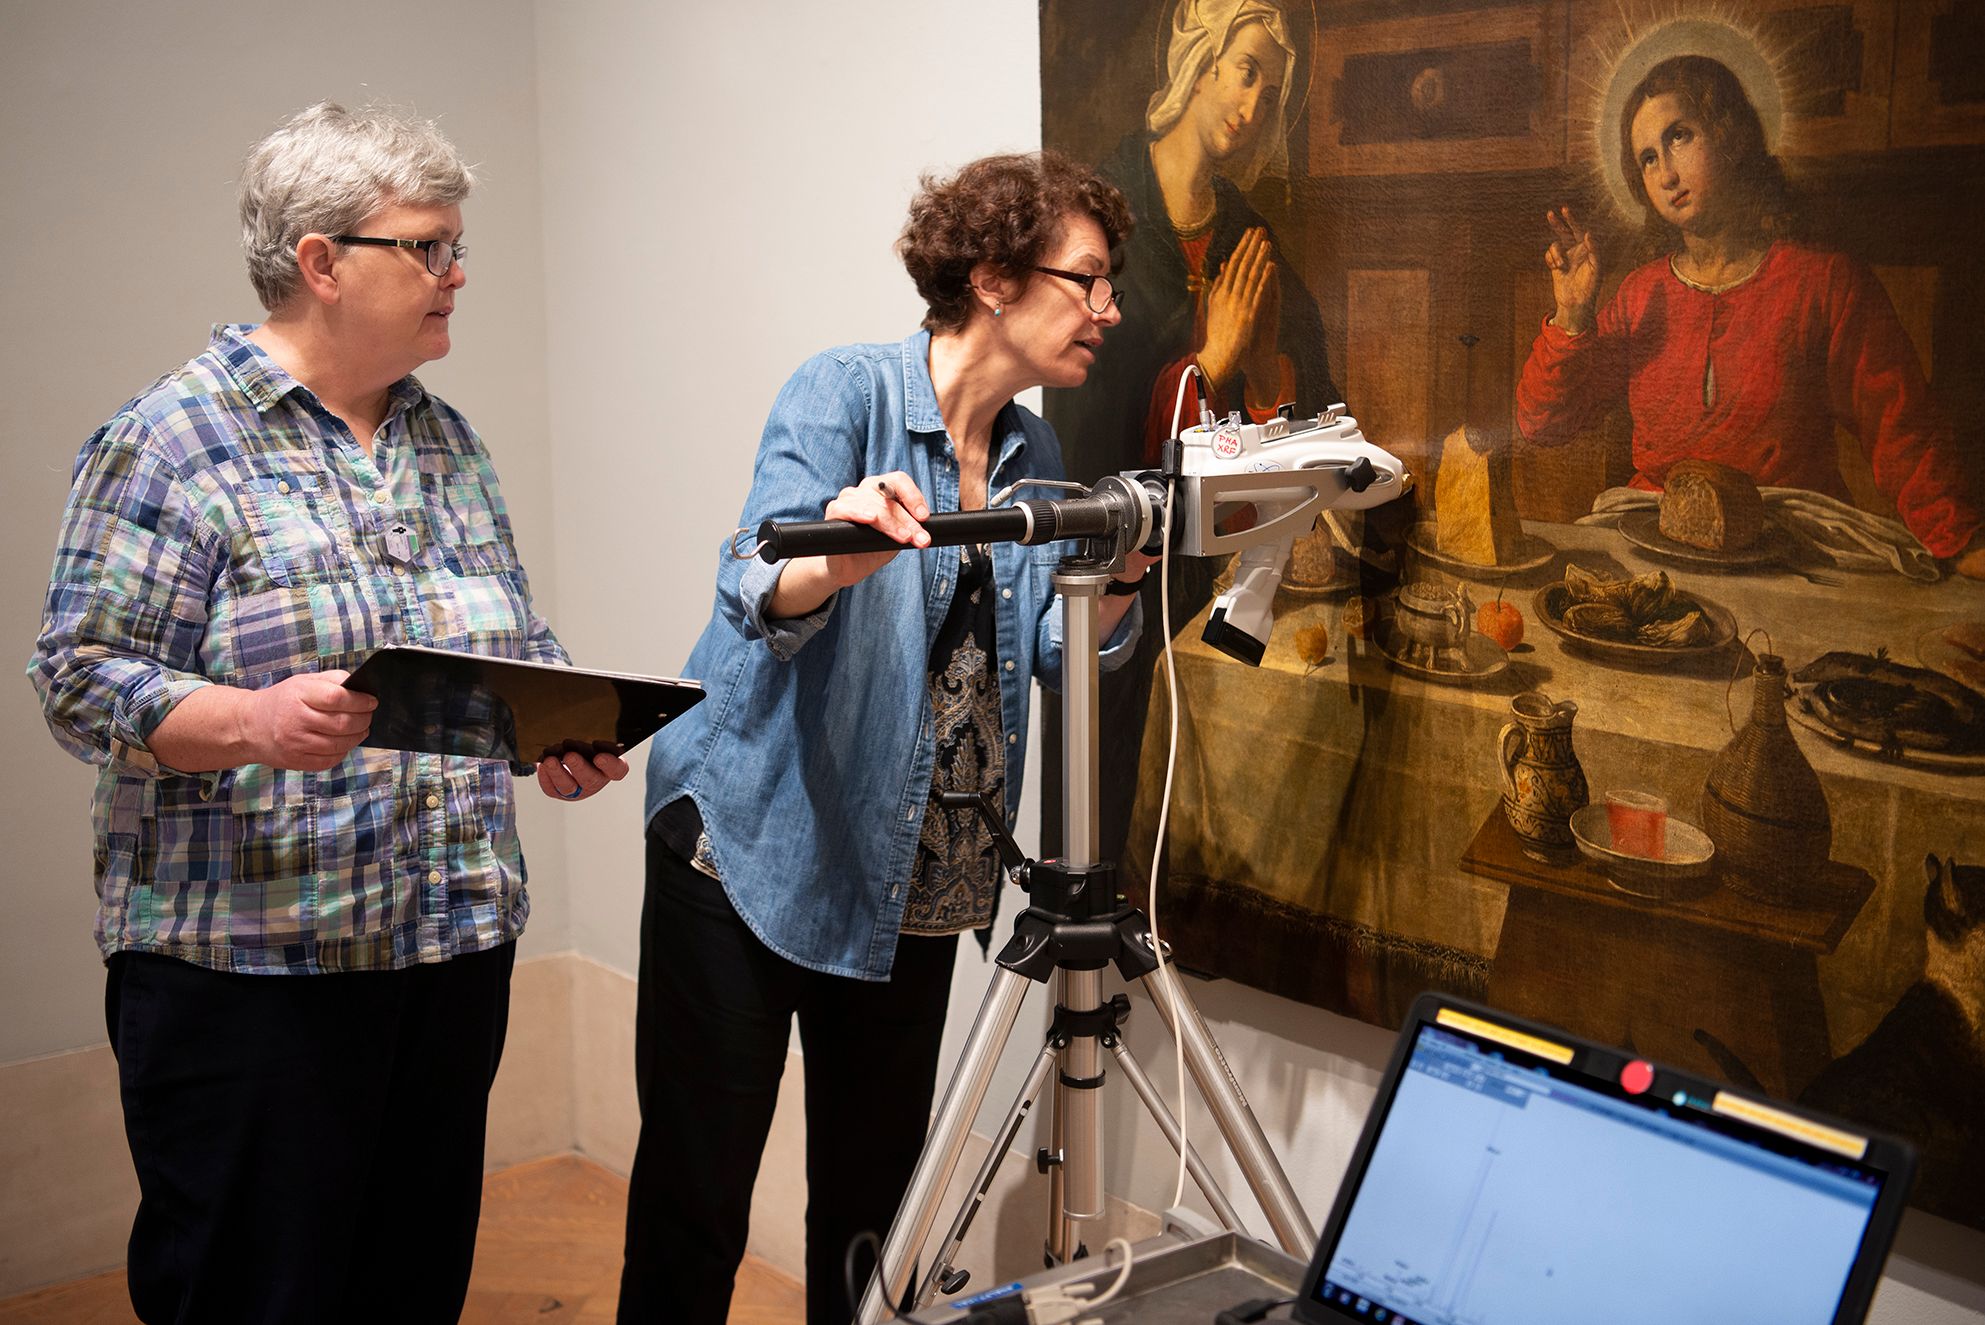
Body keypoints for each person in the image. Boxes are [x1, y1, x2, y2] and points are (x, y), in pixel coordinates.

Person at [27, 102, 626, 1324]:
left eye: (457, 245)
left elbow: (504, 637)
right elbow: (79, 675)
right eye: (428, 247)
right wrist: (249, 719)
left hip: (447, 948)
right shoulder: (171, 443)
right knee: (254, 1293)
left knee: (406, 1286)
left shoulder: (446, 441)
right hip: (253, 970)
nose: (456, 273)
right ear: (319, 261)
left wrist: (559, 721)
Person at [621, 151, 1149, 1325]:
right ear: (997, 278)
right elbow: (757, 580)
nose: (1109, 311)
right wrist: (836, 552)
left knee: (872, 1219)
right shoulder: (843, 392)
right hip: (749, 853)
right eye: (1090, 281)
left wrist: (1113, 585)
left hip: (912, 885)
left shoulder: (1035, 457)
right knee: (696, 1198)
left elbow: (1045, 663)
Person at [1057, 0, 1344, 874]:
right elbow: (1081, 425)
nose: (1255, 104)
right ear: (1199, 61)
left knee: (1192, 829)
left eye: (1272, 86)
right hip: (1111, 574)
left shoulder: (1250, 238)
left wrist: (1259, 374)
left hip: (1208, 575)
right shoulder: (1101, 219)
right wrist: (1209, 366)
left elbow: (1316, 409)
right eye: (1245, 69)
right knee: (1101, 813)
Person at [1516, 54, 1985, 576]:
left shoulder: (1824, 283)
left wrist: (1957, 541)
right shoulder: (1641, 293)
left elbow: (1904, 430)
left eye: (1680, 136)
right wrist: (1572, 313)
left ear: (1731, 135)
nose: (1667, 173)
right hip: (1656, 542)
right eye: (1648, 158)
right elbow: (1542, 425)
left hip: (1792, 552)